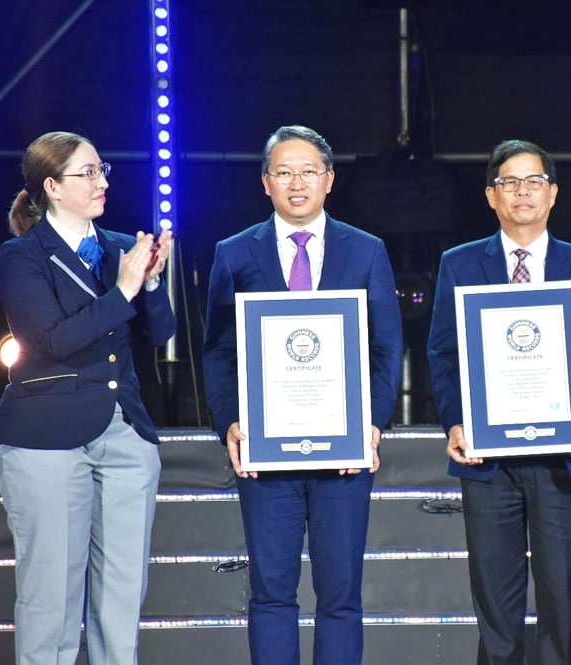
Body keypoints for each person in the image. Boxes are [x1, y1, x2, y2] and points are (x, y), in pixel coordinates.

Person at [202, 125, 403, 665]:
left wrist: (374, 424)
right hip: (267, 454)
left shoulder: (366, 251)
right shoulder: (234, 254)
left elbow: (387, 350)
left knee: (341, 596)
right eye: (284, 172)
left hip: (345, 452)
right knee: (271, 593)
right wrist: (230, 425)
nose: (297, 182)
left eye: (309, 171)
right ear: (266, 182)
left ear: (329, 180)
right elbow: (218, 352)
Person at [426, 139, 571, 665]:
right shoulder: (460, 264)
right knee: (495, 608)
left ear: (553, 193)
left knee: (561, 606)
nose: (522, 192)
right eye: (509, 183)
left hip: (564, 459)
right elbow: (444, 355)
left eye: (533, 181)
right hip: (489, 462)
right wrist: (454, 423)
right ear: (491, 196)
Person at [0, 131, 176, 665]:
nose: (101, 182)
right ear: (51, 186)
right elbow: (51, 341)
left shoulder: (120, 246)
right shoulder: (23, 256)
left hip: (123, 433)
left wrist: (153, 283)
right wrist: (123, 290)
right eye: (87, 173)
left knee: (121, 594)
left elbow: (158, 334)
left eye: (102, 170)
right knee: (52, 592)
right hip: (47, 436)